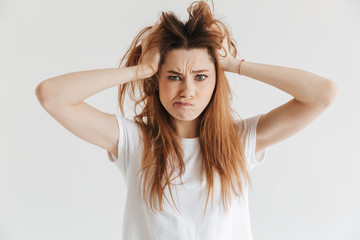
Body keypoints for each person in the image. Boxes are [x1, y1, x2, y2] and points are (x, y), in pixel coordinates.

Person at [35, 0, 337, 239]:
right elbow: (51, 95)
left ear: (216, 81)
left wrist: (233, 63)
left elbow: (322, 93)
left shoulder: (240, 140)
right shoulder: (134, 142)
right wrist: (140, 70)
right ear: (157, 80)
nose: (187, 91)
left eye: (201, 76)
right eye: (174, 76)